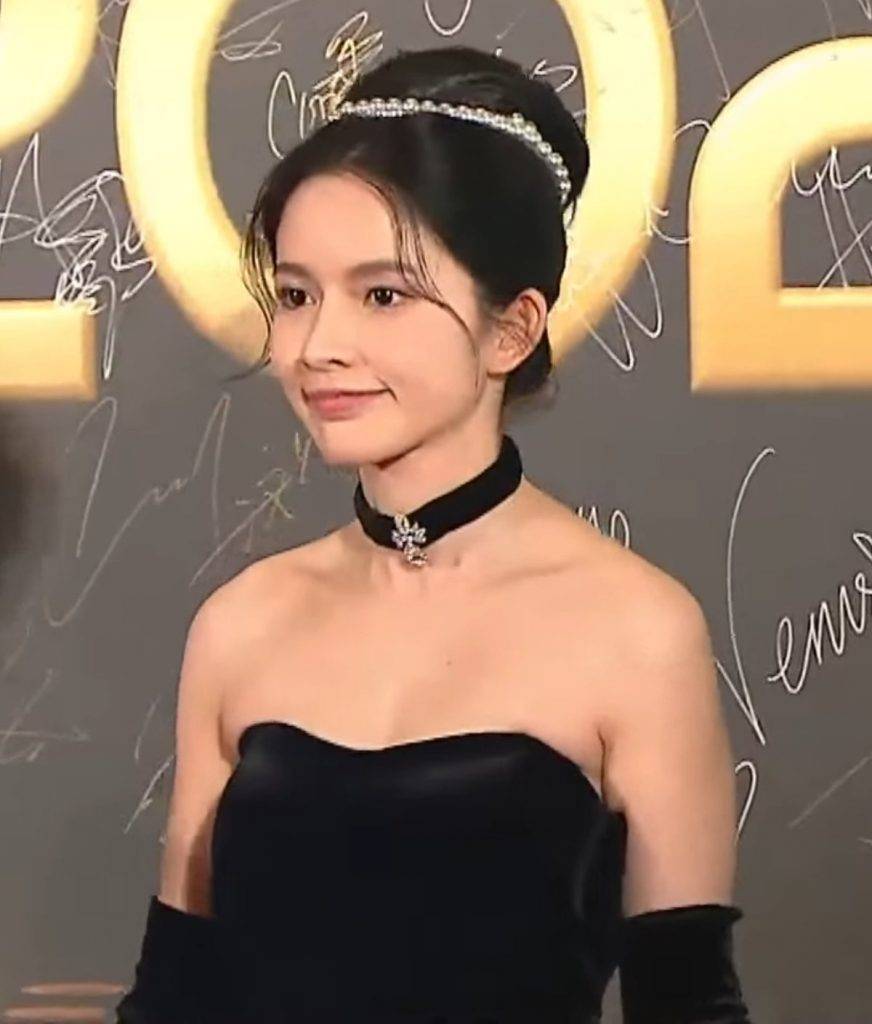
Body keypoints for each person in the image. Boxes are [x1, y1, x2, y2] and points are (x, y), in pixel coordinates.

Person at [115, 45, 753, 1024]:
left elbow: (687, 1005)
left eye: (383, 295)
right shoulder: (241, 623)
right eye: (295, 295)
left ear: (512, 329)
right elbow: (172, 1000)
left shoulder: (637, 630)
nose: (319, 346)